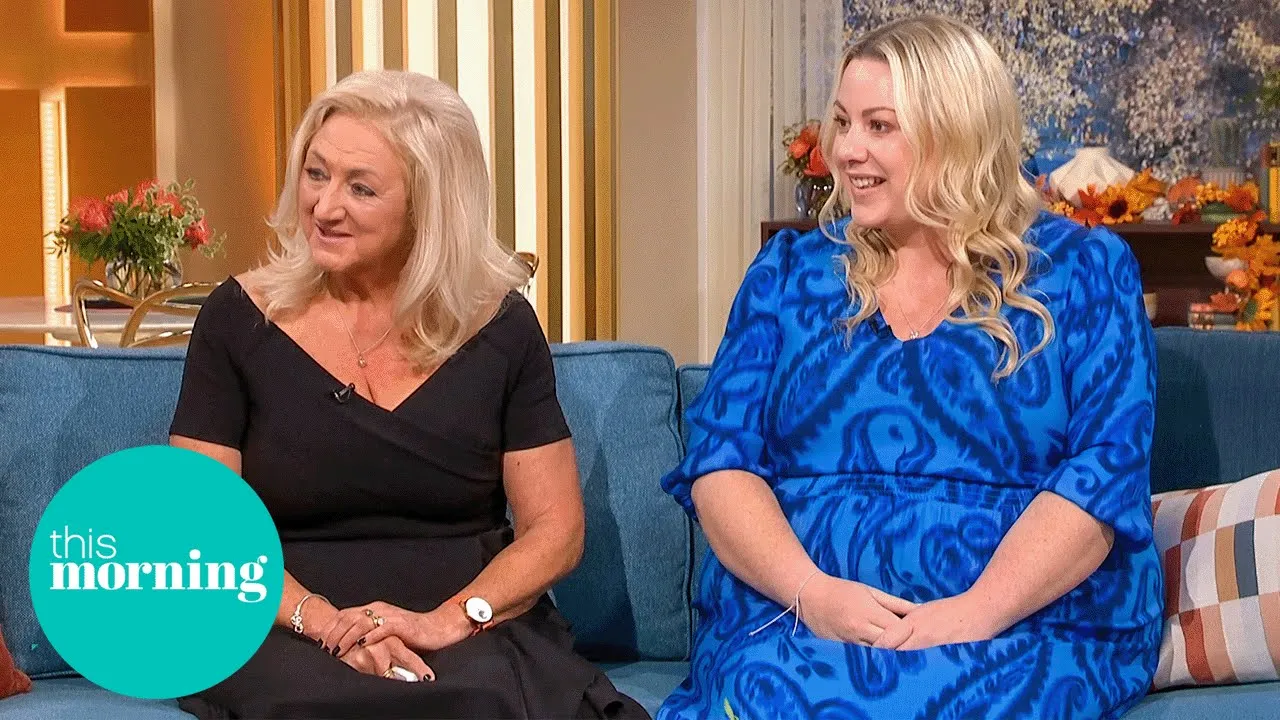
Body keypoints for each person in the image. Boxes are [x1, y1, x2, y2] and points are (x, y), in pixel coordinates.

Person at [659, 15, 1162, 719]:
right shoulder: (787, 274)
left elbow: (1105, 474)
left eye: (879, 126)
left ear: (955, 134)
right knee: (766, 693)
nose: (847, 150)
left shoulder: (1086, 272)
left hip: (1023, 625)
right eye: (842, 122)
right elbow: (721, 465)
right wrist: (814, 594)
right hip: (798, 618)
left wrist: (973, 613)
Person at [169, 69, 647, 719]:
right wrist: (331, 626)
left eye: (360, 187)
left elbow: (556, 530)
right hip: (283, 618)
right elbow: (206, 526)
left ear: (429, 205)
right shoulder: (239, 320)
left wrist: (449, 620)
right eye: (316, 174)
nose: (324, 207)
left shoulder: (500, 327)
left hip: (466, 623)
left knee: (485, 699)